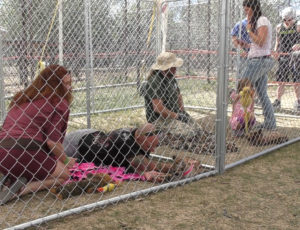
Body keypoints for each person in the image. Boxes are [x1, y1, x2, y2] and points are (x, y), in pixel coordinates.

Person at [0, 65, 76, 205]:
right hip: (25, 151)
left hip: (3, 153)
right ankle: (25, 188)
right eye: (66, 84)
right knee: (64, 175)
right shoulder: (58, 102)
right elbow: (52, 142)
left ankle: (12, 179)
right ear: (55, 85)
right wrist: (65, 160)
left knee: (46, 164)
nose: (70, 88)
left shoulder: (23, 97)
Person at [63, 123, 182, 182]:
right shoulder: (126, 144)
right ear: (139, 138)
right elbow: (149, 165)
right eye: (149, 145)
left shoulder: (134, 133)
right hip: (76, 143)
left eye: (155, 146)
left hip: (92, 135)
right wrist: (179, 167)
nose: (152, 150)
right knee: (52, 158)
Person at [143, 52, 201, 137]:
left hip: (175, 114)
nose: (175, 68)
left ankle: (169, 132)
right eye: (172, 66)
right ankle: (160, 132)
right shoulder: (155, 81)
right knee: (189, 133)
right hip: (160, 118)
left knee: (197, 129)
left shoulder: (171, 78)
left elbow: (178, 96)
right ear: (165, 68)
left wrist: (182, 112)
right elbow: (158, 108)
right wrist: (177, 116)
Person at [240, 0, 276, 130]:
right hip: (257, 59)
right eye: (244, 9)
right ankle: (270, 123)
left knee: (242, 89)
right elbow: (258, 44)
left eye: (247, 9)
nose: (245, 11)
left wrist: (249, 30)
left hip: (259, 61)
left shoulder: (262, 20)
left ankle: (243, 122)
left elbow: (261, 41)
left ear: (253, 8)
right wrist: (246, 46)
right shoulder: (257, 21)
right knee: (262, 93)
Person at [272, 7, 300, 111]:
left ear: (294, 18)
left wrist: (299, 44)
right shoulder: (279, 27)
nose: (287, 22)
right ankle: (278, 101)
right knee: (281, 80)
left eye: (289, 20)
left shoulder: (298, 26)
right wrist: (275, 50)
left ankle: (298, 101)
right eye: (285, 20)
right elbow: (277, 41)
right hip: (283, 56)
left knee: (296, 80)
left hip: (295, 57)